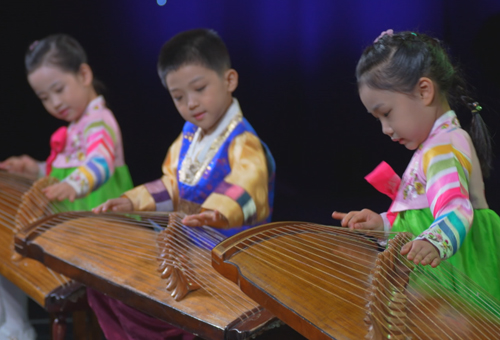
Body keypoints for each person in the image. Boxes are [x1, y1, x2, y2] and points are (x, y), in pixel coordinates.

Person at [90, 28, 275, 340]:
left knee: (141, 304)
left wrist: (216, 212)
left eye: (200, 88)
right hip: (187, 249)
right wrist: (131, 202)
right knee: (102, 286)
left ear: (229, 80)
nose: (191, 103)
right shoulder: (190, 135)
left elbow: (247, 182)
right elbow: (172, 185)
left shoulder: (243, 141)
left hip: (226, 261)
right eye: (178, 97)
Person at [332, 29, 500, 301]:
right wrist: (383, 224)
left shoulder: (444, 147)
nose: (385, 129)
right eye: (378, 120)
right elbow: (421, 217)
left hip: (462, 270)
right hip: (447, 263)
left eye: (387, 113)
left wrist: (434, 240)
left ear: (424, 91)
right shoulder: (434, 146)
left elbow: (456, 208)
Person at [0, 34, 133, 339]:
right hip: (74, 228)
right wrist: (33, 167)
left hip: (103, 233)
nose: (55, 102)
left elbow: (99, 164)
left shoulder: (100, 120)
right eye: (45, 97)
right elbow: (61, 171)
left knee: (11, 248)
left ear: (84, 75)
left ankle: (17, 328)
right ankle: (12, 325)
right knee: (6, 246)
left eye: (58, 89)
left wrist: (74, 184)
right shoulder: (75, 127)